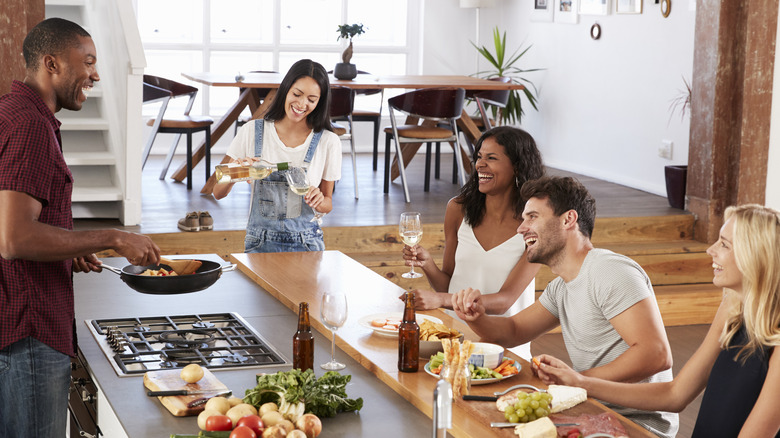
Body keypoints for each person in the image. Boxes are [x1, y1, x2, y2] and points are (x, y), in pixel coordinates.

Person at [0, 18, 161, 436]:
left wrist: (69, 247)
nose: (95, 73)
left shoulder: (10, 112)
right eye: (87, 61)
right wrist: (113, 236)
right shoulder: (31, 127)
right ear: (51, 64)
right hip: (29, 332)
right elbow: (14, 238)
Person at [452, 176, 678, 437]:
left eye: (532, 217)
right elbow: (513, 330)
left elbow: (657, 354)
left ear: (568, 219)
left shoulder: (609, 270)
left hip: (636, 425)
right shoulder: (562, 287)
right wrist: (475, 317)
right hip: (591, 410)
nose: (520, 228)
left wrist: (577, 381)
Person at [535, 204, 780, 437]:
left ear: (755, 256)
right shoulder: (732, 307)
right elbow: (675, 395)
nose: (710, 250)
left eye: (724, 245)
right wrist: (580, 383)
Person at [400, 126, 543, 359]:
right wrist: (428, 265)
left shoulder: (535, 225)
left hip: (504, 349)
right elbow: (447, 286)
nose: (479, 165)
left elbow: (505, 300)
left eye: (491, 158)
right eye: (479, 157)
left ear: (517, 166)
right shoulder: (458, 209)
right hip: (456, 339)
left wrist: (441, 300)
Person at [214, 59, 341, 253]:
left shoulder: (328, 141)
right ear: (286, 89)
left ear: (319, 102)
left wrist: (319, 199)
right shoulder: (252, 131)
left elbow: (328, 203)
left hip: (307, 243)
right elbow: (218, 192)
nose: (301, 104)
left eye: (311, 99)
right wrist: (235, 172)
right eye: (297, 94)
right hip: (259, 243)